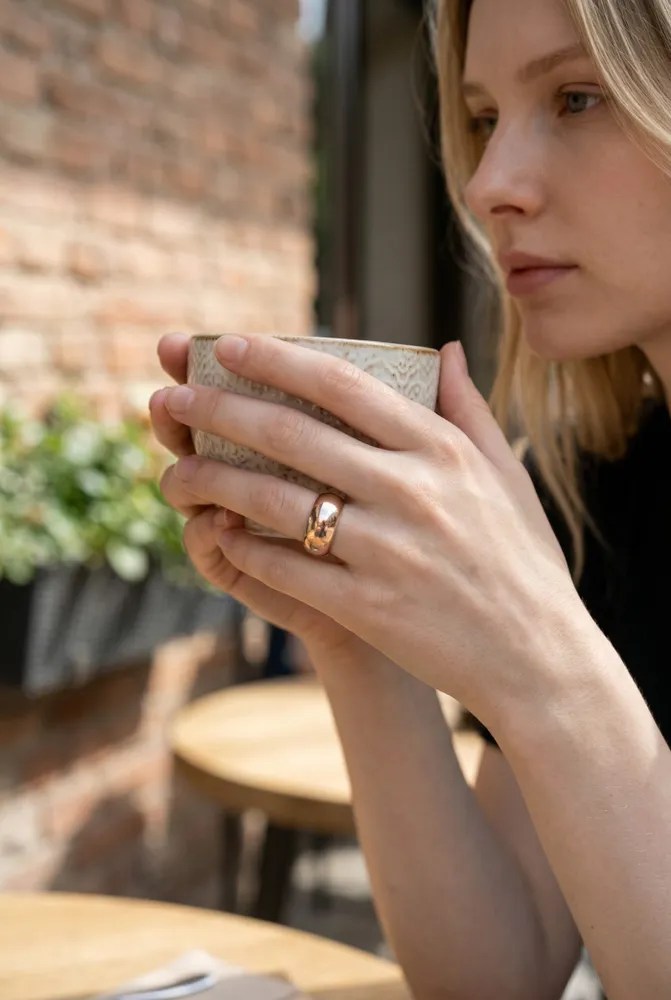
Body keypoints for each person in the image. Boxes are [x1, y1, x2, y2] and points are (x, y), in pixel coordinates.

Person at [149, 0, 671, 996]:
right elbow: (499, 970)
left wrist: (541, 662)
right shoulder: (596, 491)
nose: (486, 185)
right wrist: (347, 633)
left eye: (573, 96)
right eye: (479, 117)